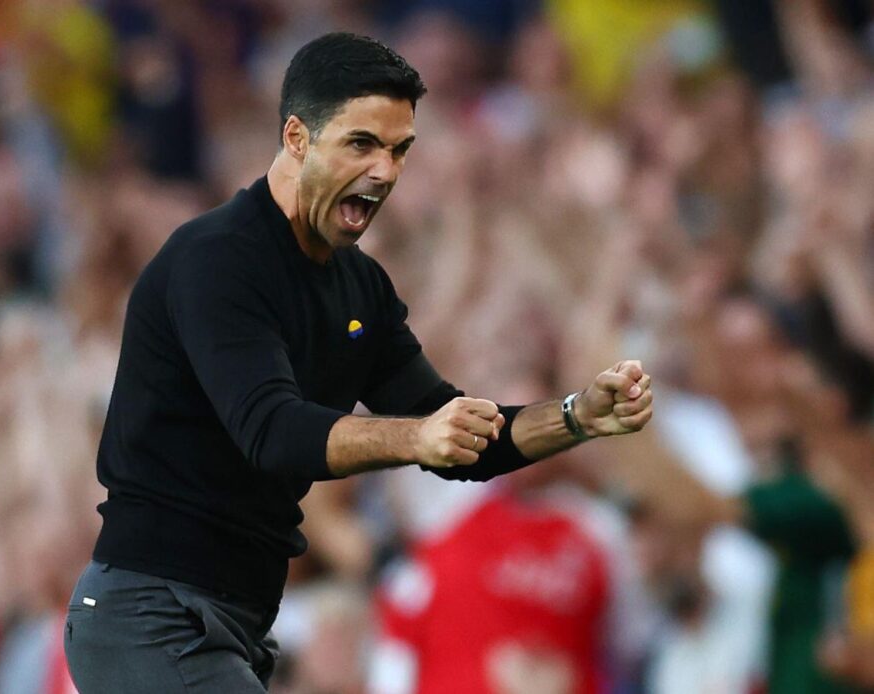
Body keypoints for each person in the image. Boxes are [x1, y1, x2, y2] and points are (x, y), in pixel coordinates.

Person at [63, 32, 654, 693]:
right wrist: (414, 437)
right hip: (149, 612)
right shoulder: (218, 261)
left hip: (234, 622)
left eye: (399, 150)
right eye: (362, 144)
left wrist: (574, 417)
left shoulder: (359, 287)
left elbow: (461, 434)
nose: (384, 173)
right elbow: (273, 431)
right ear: (296, 138)